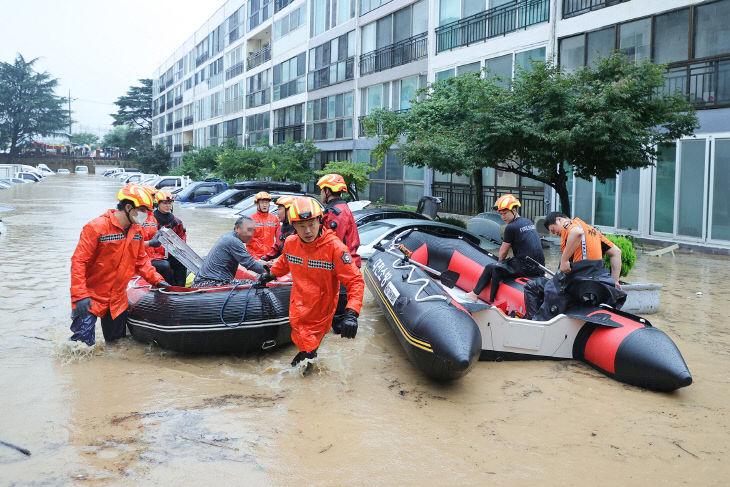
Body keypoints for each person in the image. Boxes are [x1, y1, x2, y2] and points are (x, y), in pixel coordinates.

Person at [258, 196, 364, 370]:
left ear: (320, 221)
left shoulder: (335, 248)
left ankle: (305, 379)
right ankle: (306, 361)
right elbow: (284, 262)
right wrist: (268, 276)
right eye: (301, 226)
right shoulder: (291, 243)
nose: (307, 231)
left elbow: (355, 281)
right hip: (297, 304)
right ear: (294, 226)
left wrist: (352, 313)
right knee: (301, 342)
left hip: (321, 309)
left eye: (311, 224)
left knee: (307, 352)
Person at [69, 184, 169, 346]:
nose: (146, 215)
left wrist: (158, 281)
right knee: (81, 347)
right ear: (128, 207)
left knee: (116, 346)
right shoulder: (96, 227)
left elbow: (141, 261)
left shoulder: (136, 231)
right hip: (89, 297)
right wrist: (80, 295)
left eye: (148, 211)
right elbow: (79, 262)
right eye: (143, 210)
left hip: (117, 298)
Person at [524, 212, 623, 321]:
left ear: (559, 220)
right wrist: (615, 281)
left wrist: (564, 260)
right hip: (600, 283)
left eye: (553, 230)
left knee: (532, 286)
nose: (555, 233)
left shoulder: (568, 224)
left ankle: (535, 322)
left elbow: (576, 232)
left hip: (579, 283)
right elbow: (617, 252)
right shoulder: (593, 231)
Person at [465, 194, 544, 303]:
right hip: (539, 267)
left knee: (490, 267)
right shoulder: (528, 222)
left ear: (514, 210)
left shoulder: (511, 227)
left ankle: (474, 294)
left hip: (526, 267)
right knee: (506, 264)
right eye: (501, 214)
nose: (503, 217)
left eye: (505, 213)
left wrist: (499, 265)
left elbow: (503, 251)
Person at [192, 215, 268, 287]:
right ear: (237, 228)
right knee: (255, 284)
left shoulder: (229, 237)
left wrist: (266, 264)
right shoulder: (233, 241)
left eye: (253, 231)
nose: (251, 234)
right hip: (210, 283)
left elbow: (249, 260)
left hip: (204, 281)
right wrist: (272, 272)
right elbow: (250, 264)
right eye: (249, 230)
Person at [144, 190, 188, 286]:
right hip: (153, 255)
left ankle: (181, 289)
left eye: (169, 203)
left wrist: (180, 254)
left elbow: (182, 241)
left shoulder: (176, 222)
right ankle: (169, 288)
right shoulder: (150, 221)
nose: (168, 205)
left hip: (171, 253)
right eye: (164, 203)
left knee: (182, 263)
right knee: (165, 266)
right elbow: (145, 239)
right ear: (158, 204)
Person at [317, 174, 361, 267]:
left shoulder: (335, 213)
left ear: (327, 191)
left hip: (342, 265)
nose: (321, 193)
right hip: (346, 261)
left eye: (322, 190)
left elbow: (334, 243)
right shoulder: (341, 208)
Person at [261, 195, 296, 262]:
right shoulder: (280, 230)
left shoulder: (299, 230)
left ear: (289, 211)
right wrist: (264, 258)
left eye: (279, 209)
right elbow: (277, 248)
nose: (277, 213)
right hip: (285, 266)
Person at [246, 191, 280, 260]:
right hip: (254, 259)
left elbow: (279, 240)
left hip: (269, 258)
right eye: (262, 203)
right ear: (257, 204)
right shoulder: (250, 220)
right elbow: (248, 244)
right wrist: (256, 259)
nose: (265, 205)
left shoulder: (274, 219)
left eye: (266, 202)